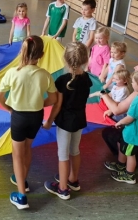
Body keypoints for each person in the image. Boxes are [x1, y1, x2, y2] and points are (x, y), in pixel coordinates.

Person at [0, 35, 57, 210]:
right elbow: (52, 99)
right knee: (28, 148)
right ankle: (21, 179)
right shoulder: (45, 75)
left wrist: (8, 108)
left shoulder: (13, 73)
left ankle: (21, 195)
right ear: (42, 54)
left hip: (19, 117)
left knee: (16, 154)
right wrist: (37, 104)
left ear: (22, 51)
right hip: (36, 116)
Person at [43, 42, 92, 200]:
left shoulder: (62, 80)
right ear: (85, 59)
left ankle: (63, 188)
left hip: (65, 121)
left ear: (65, 59)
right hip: (79, 119)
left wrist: (49, 121)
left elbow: (57, 106)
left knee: (63, 155)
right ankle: (73, 179)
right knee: (75, 150)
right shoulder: (86, 78)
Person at [104, 68, 138, 184]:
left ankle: (129, 175)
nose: (131, 84)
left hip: (135, 135)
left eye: (133, 82)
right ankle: (121, 165)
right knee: (126, 150)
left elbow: (130, 118)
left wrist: (119, 123)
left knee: (130, 154)